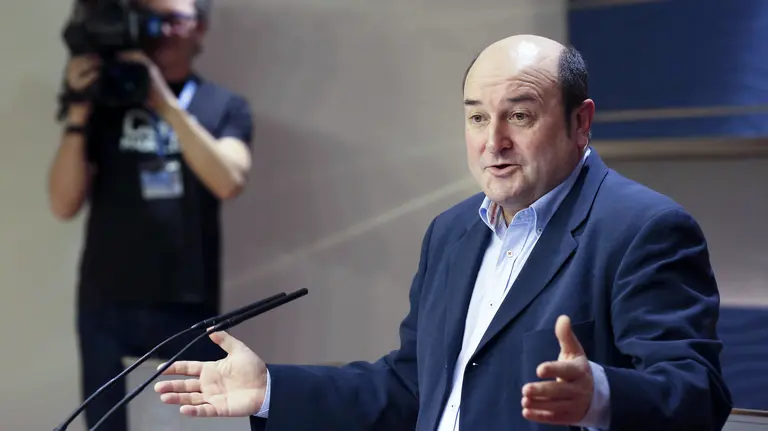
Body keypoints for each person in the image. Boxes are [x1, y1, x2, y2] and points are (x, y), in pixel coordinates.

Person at [153, 34, 732, 430]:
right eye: (477, 116)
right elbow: (410, 387)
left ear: (581, 122)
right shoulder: (452, 232)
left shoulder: (645, 229)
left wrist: (598, 395)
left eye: (520, 115)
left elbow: (698, 395)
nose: (493, 141)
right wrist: (271, 389)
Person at [47, 0, 253, 430]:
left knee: (185, 423)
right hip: (106, 303)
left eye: (173, 19)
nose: (160, 30)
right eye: (150, 17)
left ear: (200, 29)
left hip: (186, 305)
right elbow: (63, 203)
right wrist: (80, 114)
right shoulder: (106, 104)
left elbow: (229, 180)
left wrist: (163, 102)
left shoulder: (223, 105)